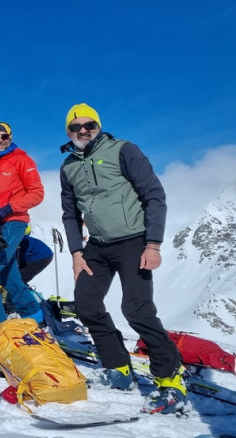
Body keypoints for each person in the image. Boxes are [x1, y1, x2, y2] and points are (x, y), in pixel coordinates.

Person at [60, 103, 184, 413]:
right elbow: (70, 214)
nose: (83, 131)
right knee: (87, 304)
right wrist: (77, 252)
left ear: (98, 126)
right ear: (69, 132)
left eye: (89, 125)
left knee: (136, 309)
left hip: (133, 242)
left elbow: (154, 194)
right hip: (97, 248)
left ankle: (170, 378)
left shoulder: (124, 150)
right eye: (76, 128)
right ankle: (119, 368)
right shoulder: (68, 167)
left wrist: (152, 244)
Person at [0, 122, 45, 330]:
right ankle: (36, 315)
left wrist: (9, 208)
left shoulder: (22, 160)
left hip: (14, 222)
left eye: (3, 136)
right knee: (8, 274)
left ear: (10, 137)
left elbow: (37, 193)